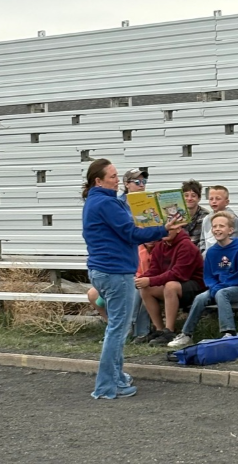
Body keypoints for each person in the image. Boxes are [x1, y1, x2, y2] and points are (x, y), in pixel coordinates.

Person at [82, 158, 181, 399]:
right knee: (118, 329)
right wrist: (164, 230)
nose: (117, 181)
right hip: (115, 271)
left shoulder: (97, 201)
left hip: (103, 269)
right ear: (99, 180)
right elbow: (131, 233)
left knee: (116, 327)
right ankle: (107, 386)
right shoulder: (107, 203)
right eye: (113, 177)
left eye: (117, 176)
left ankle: (116, 377)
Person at [167, 212, 238, 348]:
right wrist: (214, 287)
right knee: (200, 298)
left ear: (230, 230)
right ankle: (186, 334)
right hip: (218, 287)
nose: (217, 229)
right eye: (214, 226)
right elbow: (208, 276)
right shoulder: (211, 252)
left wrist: (220, 287)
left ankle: (229, 333)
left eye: (221, 226)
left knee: (222, 294)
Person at [136, 227, 205, 346]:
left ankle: (170, 331)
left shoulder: (187, 246)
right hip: (174, 283)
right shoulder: (160, 246)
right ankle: (159, 330)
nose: (166, 231)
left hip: (195, 285)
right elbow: (154, 270)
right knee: (146, 288)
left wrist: (150, 280)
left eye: (170, 228)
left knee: (170, 286)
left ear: (178, 229)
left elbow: (178, 274)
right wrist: (141, 279)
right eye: (163, 228)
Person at [199, 185, 238, 254]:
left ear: (227, 202)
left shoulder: (232, 219)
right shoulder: (206, 219)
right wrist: (203, 252)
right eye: (211, 199)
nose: (214, 201)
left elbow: (236, 239)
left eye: (218, 199)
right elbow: (202, 240)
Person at [182, 179, 209, 246]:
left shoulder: (206, 216)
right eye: (186, 195)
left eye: (193, 196)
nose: (189, 198)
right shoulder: (176, 216)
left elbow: (206, 240)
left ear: (199, 198)